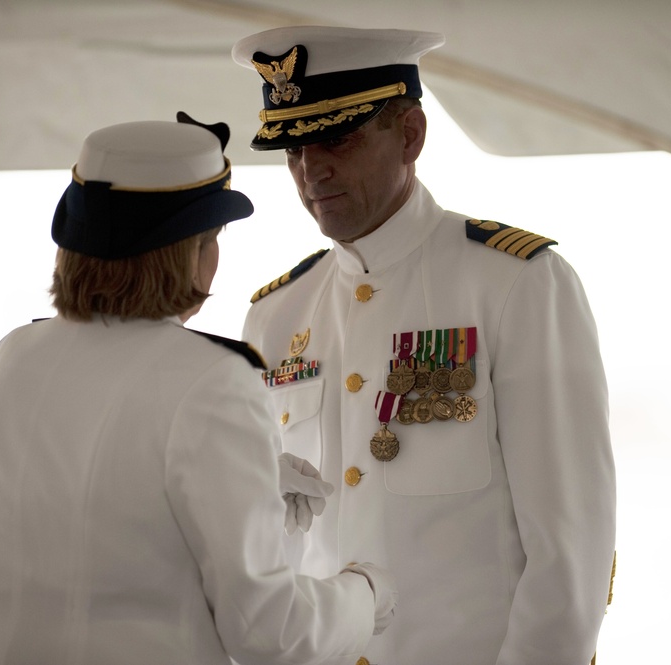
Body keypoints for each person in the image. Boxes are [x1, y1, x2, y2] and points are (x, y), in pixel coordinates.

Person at [233, 26, 616, 665]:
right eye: (292, 149)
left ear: (410, 134)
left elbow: (571, 546)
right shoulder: (275, 316)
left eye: (336, 137)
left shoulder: (516, 282)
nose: (310, 169)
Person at [0, 116, 397, 665]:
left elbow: (84, 528)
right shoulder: (212, 379)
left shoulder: (12, 356)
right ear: (188, 252)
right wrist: (365, 593)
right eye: (211, 239)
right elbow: (272, 633)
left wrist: (254, 492)